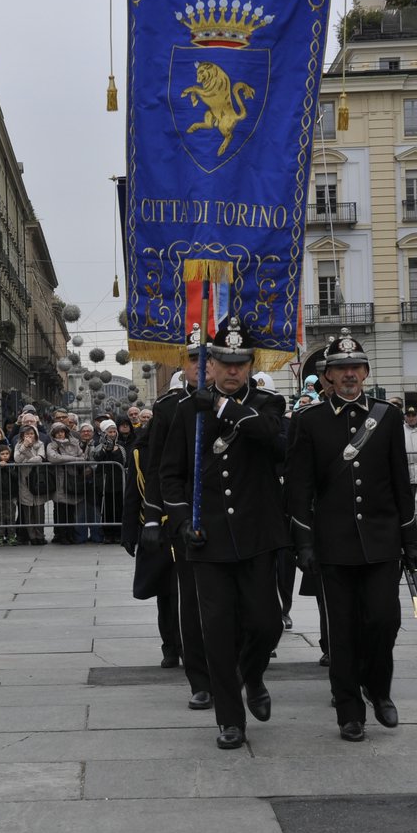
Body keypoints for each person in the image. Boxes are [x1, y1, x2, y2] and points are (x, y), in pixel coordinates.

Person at [158, 317, 288, 750]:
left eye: (240, 363)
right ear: (209, 363)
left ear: (251, 364)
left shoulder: (269, 403)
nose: (232, 370)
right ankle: (229, 719)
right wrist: (181, 521)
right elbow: (171, 476)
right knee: (216, 631)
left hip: (256, 534)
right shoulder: (183, 410)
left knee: (267, 623)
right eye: (224, 362)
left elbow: (273, 439)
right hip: (207, 537)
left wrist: (219, 408)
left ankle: (251, 673)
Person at [286, 329, 417, 744]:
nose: (348, 375)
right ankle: (349, 710)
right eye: (339, 369)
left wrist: (410, 543)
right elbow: (299, 486)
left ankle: (378, 689)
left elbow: (401, 482)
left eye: (354, 368)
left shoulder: (387, 415)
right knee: (341, 631)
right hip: (334, 542)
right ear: (327, 376)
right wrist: (304, 542)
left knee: (384, 620)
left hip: (381, 540)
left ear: (365, 371)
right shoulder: (309, 420)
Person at [134, 337, 207, 699]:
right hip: (179, 518)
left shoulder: (243, 404)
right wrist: (152, 516)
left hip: (227, 518)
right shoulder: (168, 408)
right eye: (194, 359)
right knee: (182, 596)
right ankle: (189, 664)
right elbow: (158, 464)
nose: (203, 364)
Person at [45, 422, 84, 544]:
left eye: (61, 431)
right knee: (61, 510)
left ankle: (70, 534)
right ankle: (61, 535)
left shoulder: (74, 443)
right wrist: (74, 459)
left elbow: (82, 457)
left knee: (71, 510)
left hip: (72, 479)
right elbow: (54, 458)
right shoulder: (52, 445)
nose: (60, 434)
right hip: (59, 480)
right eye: (57, 432)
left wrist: (70, 459)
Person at [14, 425, 49, 545]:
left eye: (31, 434)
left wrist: (26, 455)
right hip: (24, 481)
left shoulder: (40, 444)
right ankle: (32, 536)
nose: (29, 436)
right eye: (26, 434)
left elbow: (39, 459)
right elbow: (17, 460)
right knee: (27, 511)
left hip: (38, 479)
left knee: (39, 511)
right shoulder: (18, 445)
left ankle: (40, 535)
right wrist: (24, 447)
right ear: (23, 436)